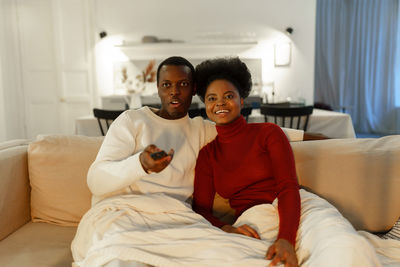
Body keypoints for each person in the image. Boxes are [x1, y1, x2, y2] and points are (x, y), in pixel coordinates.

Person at [71, 56, 333, 266]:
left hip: (176, 218)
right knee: (122, 260)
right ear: (158, 88)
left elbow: (252, 133)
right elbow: (96, 181)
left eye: (183, 84)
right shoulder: (131, 121)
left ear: (193, 89)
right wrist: (140, 164)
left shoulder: (201, 129)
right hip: (122, 213)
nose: (175, 92)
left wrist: (317, 137)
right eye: (167, 85)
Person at [192, 57, 380, 267]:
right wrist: (226, 228)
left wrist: (286, 239)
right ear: (205, 105)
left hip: (298, 207)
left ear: (241, 100)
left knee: (347, 248)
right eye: (211, 98)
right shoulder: (208, 155)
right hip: (255, 221)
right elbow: (201, 210)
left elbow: (287, 187)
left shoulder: (268, 133)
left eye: (228, 96)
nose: (219, 103)